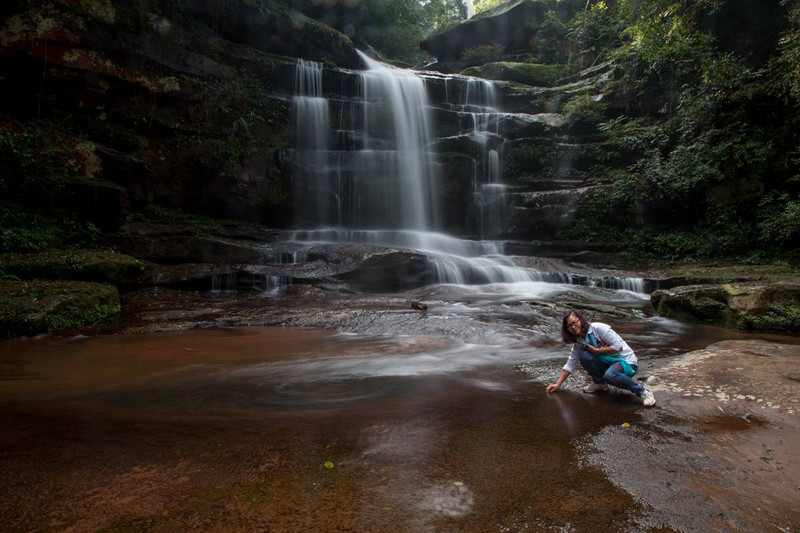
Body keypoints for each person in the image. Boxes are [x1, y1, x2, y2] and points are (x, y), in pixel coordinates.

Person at [545, 310, 656, 407]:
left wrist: (597, 351)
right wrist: (558, 384)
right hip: (608, 363)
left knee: (610, 375)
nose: (573, 327)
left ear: (580, 320)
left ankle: (643, 392)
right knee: (583, 355)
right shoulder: (579, 342)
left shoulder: (598, 328)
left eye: (574, 322)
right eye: (569, 326)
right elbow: (571, 363)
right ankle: (600, 383)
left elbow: (618, 347)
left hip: (626, 362)